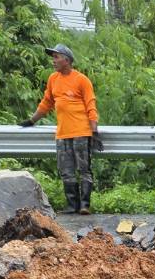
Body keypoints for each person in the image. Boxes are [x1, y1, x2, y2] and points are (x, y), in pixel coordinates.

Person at [22, 44, 99, 215]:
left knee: (84, 170)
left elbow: (91, 104)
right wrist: (31, 120)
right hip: (62, 133)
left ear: (67, 60)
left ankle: (85, 205)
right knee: (66, 171)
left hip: (81, 132)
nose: (53, 61)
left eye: (56, 57)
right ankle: (72, 206)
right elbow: (46, 103)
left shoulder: (81, 80)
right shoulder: (53, 79)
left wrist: (94, 131)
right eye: (53, 57)